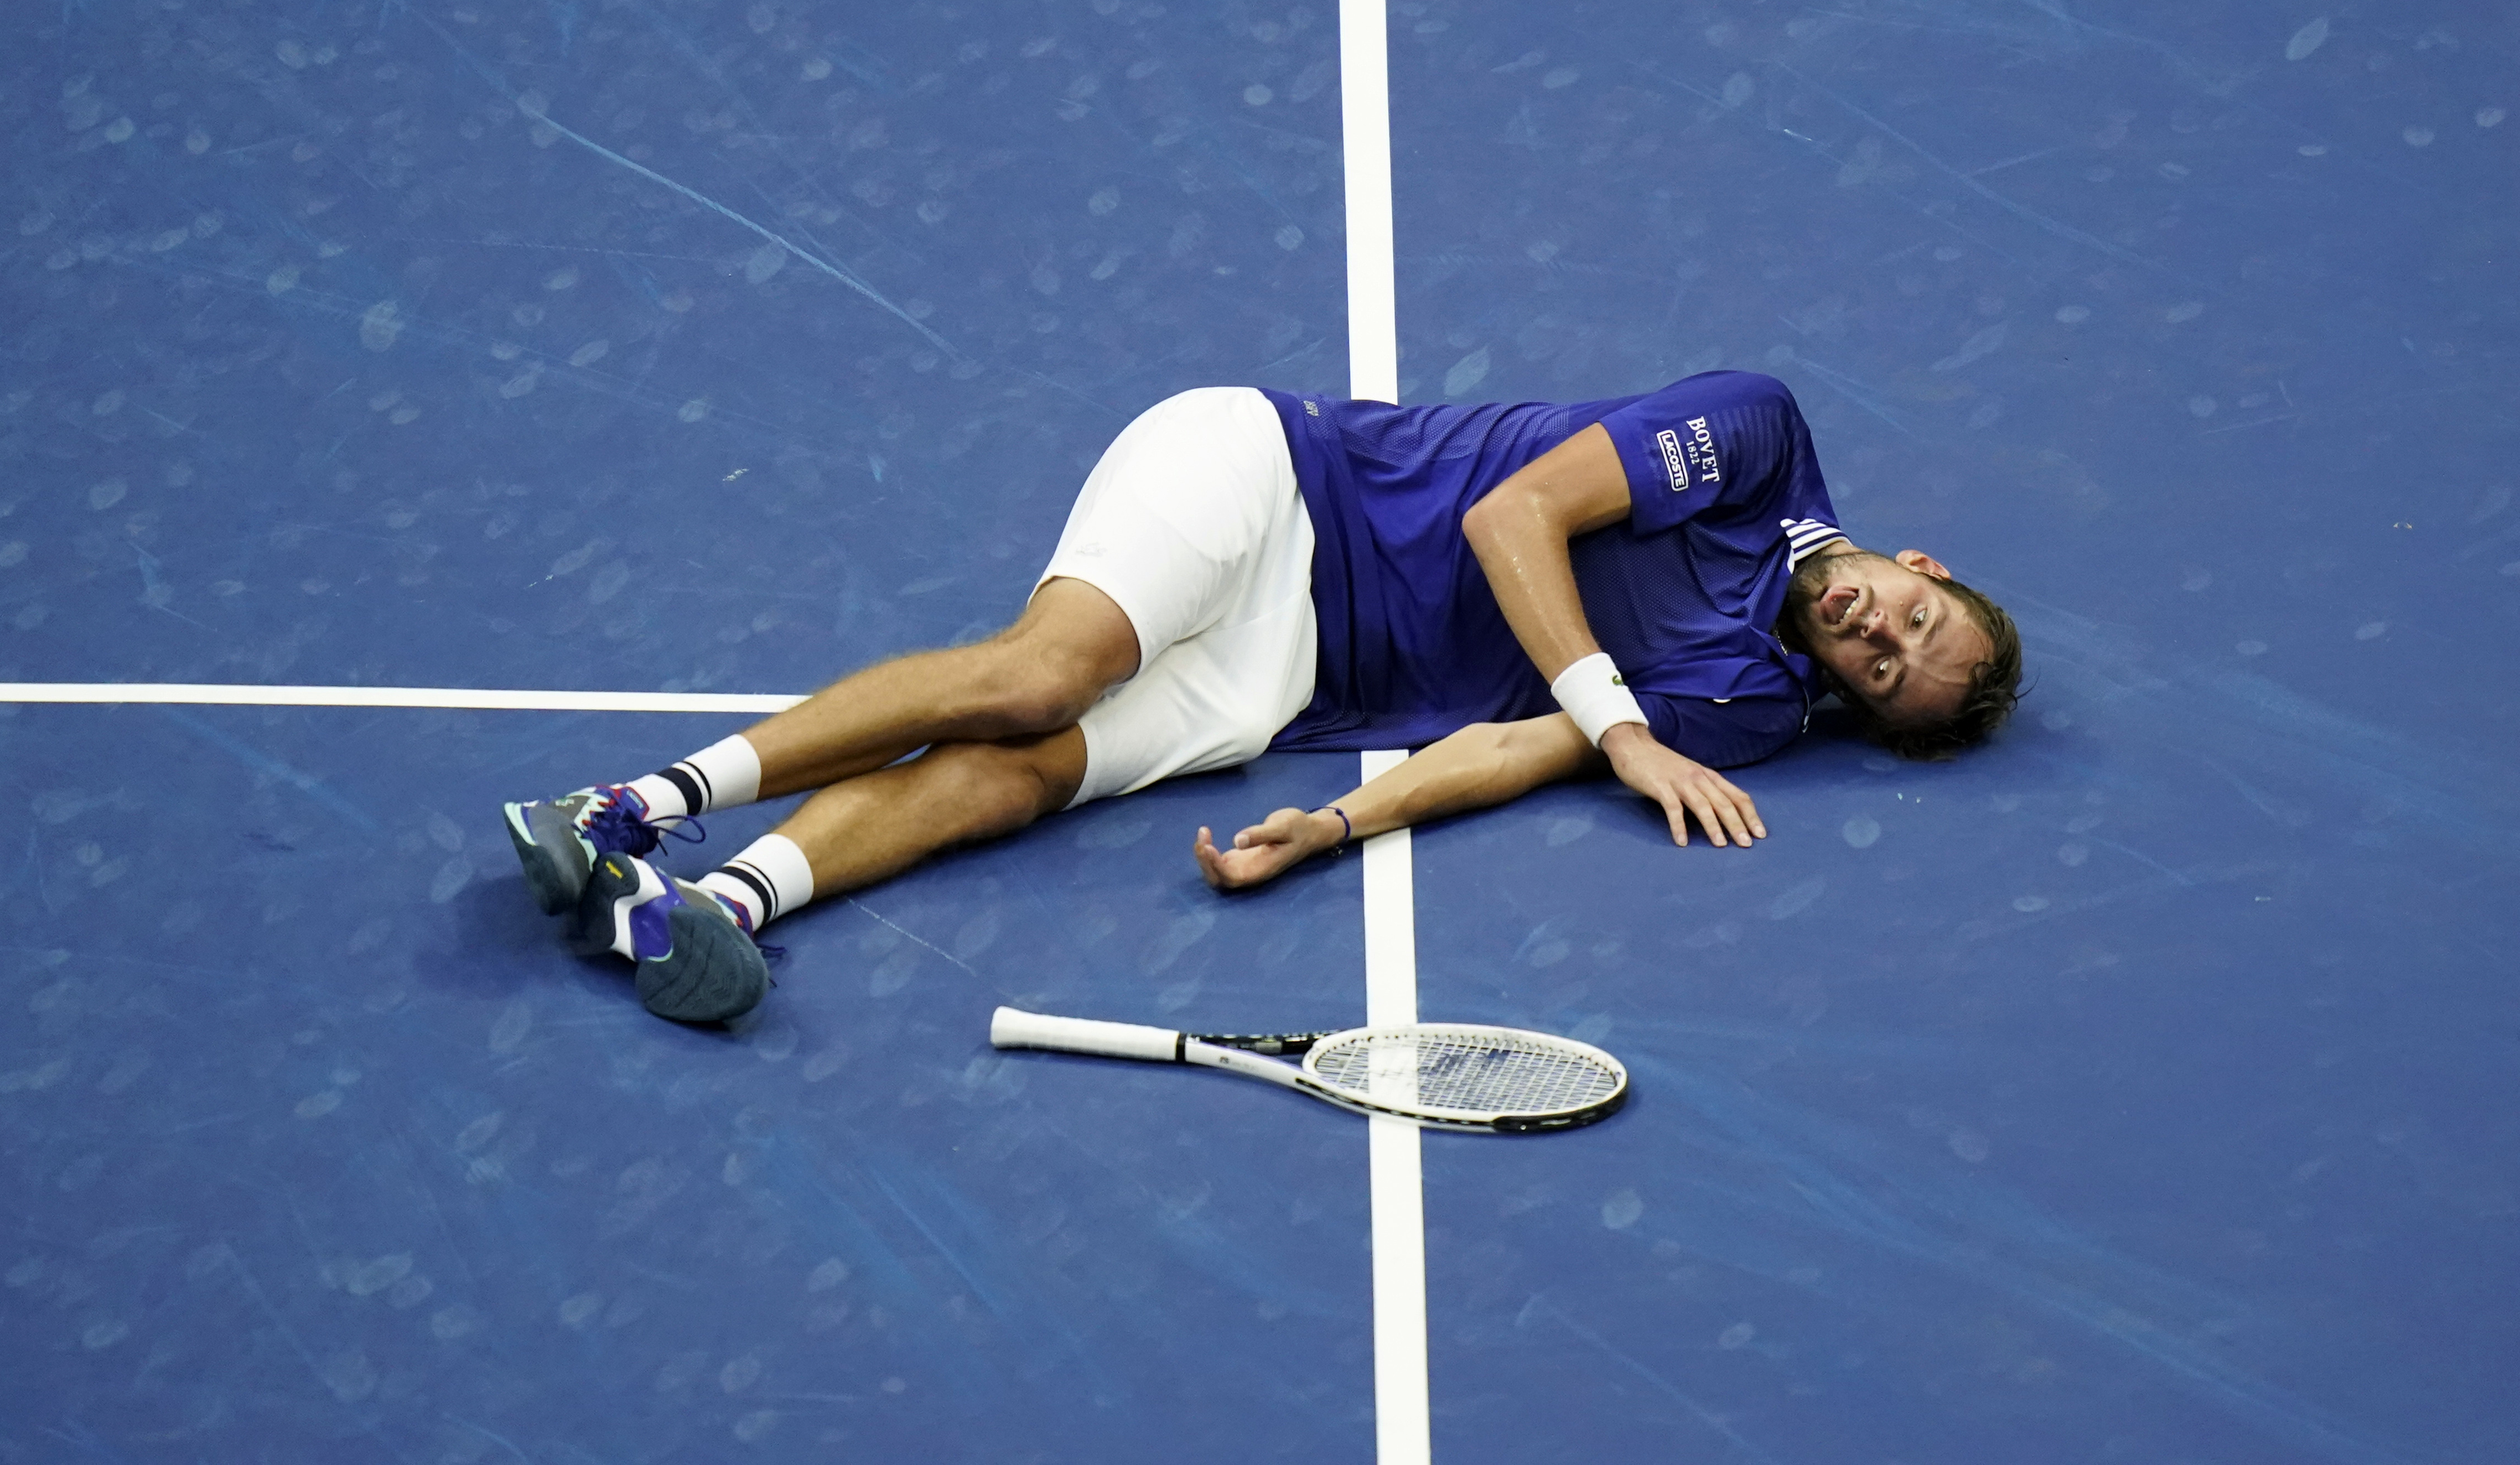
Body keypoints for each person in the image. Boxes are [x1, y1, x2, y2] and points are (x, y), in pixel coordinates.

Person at [501, 373, 2022, 1024]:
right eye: (1912, 612)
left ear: (1857, 706)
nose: (1876, 632)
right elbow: (1513, 525)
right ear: (1924, 560)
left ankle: (705, 911)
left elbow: (1509, 745)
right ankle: (624, 806)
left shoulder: (1753, 704)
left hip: (1289, 682)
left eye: (1887, 670)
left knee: (1023, 774)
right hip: (1275, 483)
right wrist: (1624, 728)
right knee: (1046, 672)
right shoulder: (1753, 441)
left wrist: (1339, 825)